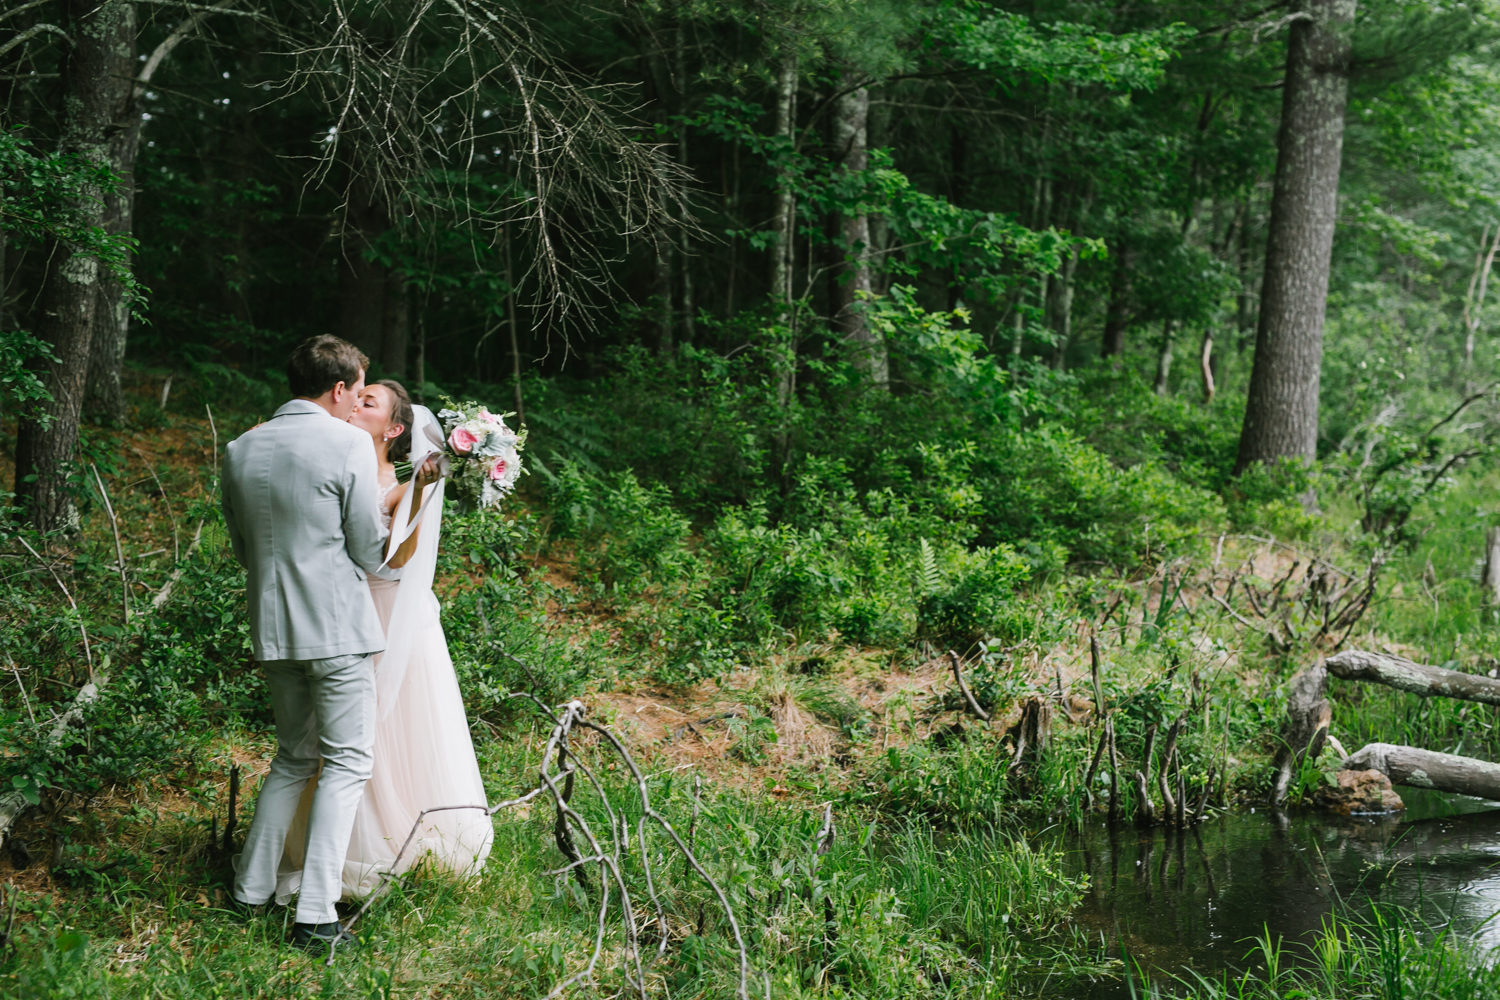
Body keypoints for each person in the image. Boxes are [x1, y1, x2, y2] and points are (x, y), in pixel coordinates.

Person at [276, 378, 494, 906]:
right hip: (337, 613)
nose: (353, 403)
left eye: (367, 401)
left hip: (385, 614)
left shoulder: (399, 485)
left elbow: (398, 554)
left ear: (394, 429)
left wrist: (423, 486)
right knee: (335, 732)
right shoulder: (337, 462)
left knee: (384, 729)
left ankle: (376, 846)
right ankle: (321, 846)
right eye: (356, 395)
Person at [221, 335, 386, 952]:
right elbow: (368, 548)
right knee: (346, 764)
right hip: (337, 628)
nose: (355, 407)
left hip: (272, 629)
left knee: (293, 758)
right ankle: (315, 916)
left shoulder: (241, 447)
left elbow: (243, 548)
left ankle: (249, 891)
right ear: (339, 388)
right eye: (356, 391)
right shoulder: (347, 443)